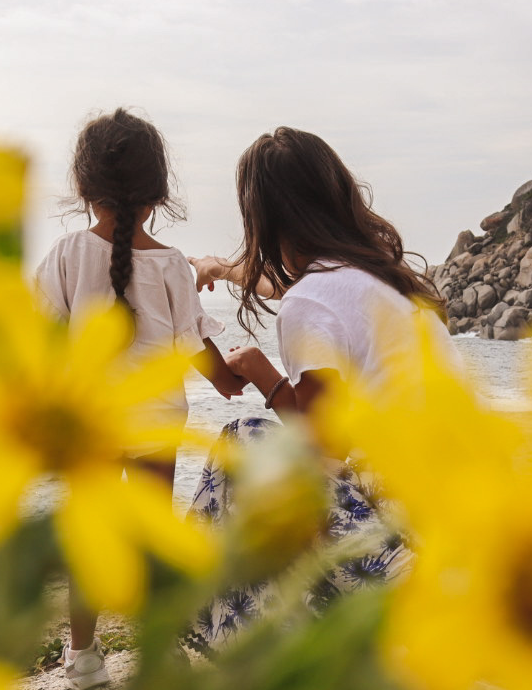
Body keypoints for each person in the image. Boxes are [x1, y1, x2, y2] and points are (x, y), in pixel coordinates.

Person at [183, 126, 454, 650]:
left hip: (397, 545)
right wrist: (220, 266)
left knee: (245, 441)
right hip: (450, 522)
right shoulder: (378, 281)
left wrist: (263, 375)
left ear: (262, 217)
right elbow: (287, 286)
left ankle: (232, 642)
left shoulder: (313, 302)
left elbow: (321, 447)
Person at [35, 108, 244, 690]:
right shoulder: (174, 265)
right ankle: (157, 655)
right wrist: (228, 382)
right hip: (157, 422)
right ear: (159, 191)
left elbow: (41, 342)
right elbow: (194, 343)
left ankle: (82, 657)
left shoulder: (65, 257)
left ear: (83, 187)